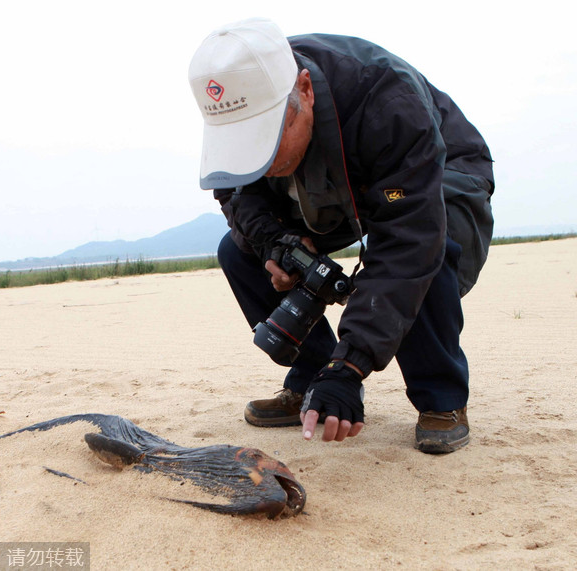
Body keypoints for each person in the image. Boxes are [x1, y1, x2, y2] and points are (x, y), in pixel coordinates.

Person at [188, 18, 494, 453]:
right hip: (327, 178)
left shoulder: (387, 101)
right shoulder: (243, 91)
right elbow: (236, 194)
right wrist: (277, 244)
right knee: (239, 251)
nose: (262, 161)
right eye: (244, 147)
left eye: (267, 138)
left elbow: (409, 238)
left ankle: (441, 399)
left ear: (304, 90)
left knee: (431, 248)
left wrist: (349, 366)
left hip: (439, 169)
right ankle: (312, 377)